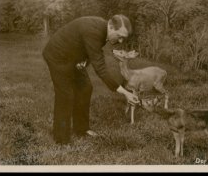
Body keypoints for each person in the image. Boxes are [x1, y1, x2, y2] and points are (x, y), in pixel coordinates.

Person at [42, 15, 139, 144]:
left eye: (123, 38)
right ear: (110, 26)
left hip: (73, 57)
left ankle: (82, 129)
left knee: (85, 88)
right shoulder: (95, 31)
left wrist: (84, 60)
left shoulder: (104, 31)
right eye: (119, 36)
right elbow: (101, 69)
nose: (121, 41)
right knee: (65, 95)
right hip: (57, 56)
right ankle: (61, 139)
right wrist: (125, 92)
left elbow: (89, 47)